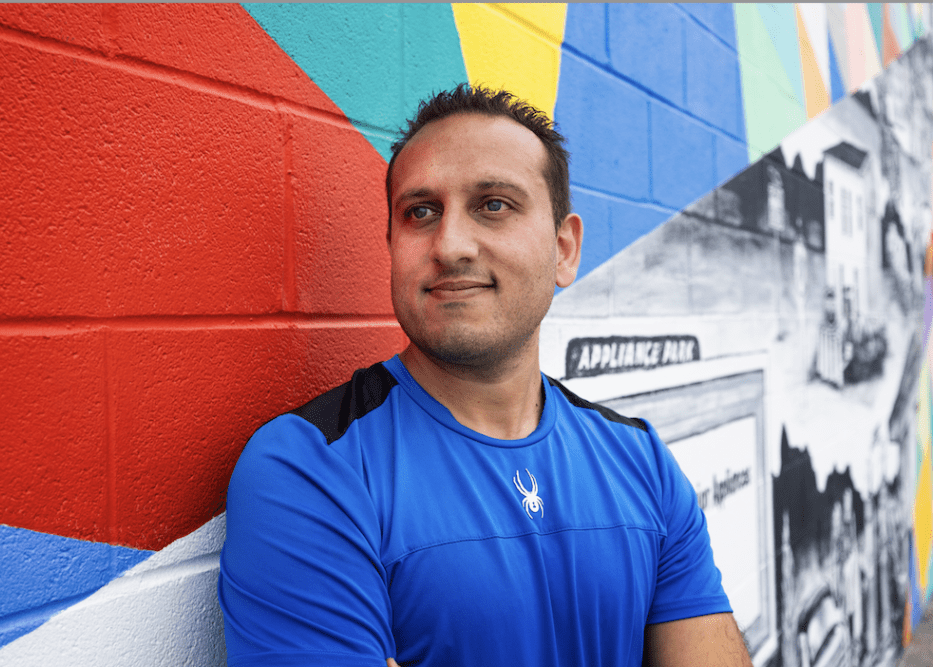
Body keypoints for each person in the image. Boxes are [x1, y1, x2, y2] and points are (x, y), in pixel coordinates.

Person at [218, 84, 752, 667]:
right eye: (420, 212)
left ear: (564, 249)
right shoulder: (312, 468)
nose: (450, 245)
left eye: (493, 205)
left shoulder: (640, 461)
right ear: (392, 245)